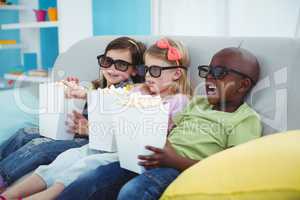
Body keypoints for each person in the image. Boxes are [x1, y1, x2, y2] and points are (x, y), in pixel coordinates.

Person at [57, 47, 262, 200]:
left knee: (133, 191)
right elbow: (170, 132)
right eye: (208, 71)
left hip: (181, 168)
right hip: (155, 156)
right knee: (95, 177)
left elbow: (232, 169)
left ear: (243, 85)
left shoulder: (245, 119)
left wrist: (174, 160)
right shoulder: (198, 103)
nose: (209, 78)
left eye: (219, 74)